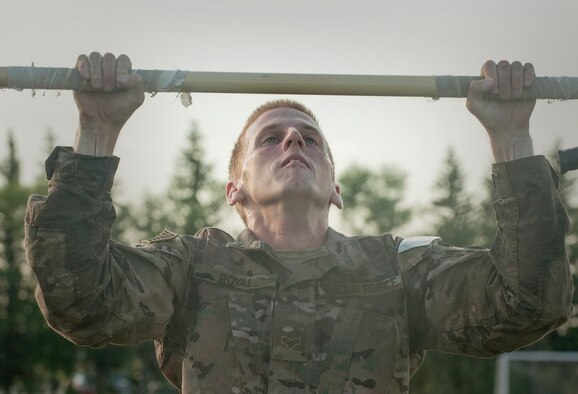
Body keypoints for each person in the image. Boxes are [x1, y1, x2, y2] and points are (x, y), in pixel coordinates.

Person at [25, 52, 573, 394]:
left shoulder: (397, 269)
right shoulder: (191, 266)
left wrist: (511, 140)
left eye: (310, 139)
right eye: (271, 138)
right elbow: (82, 304)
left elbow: (526, 304)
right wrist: (96, 133)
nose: (293, 140)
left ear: (335, 189)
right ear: (234, 189)